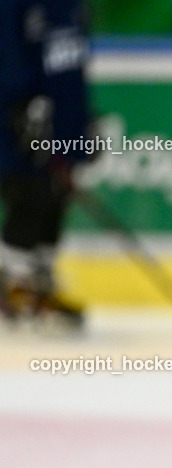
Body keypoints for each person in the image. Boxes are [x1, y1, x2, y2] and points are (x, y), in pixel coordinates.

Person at [0, 0, 91, 327]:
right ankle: (15, 284)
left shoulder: (71, 6)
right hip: (17, 119)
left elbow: (72, 64)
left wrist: (81, 121)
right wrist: (19, 107)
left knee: (56, 195)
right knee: (30, 194)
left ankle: (39, 283)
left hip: (62, 119)